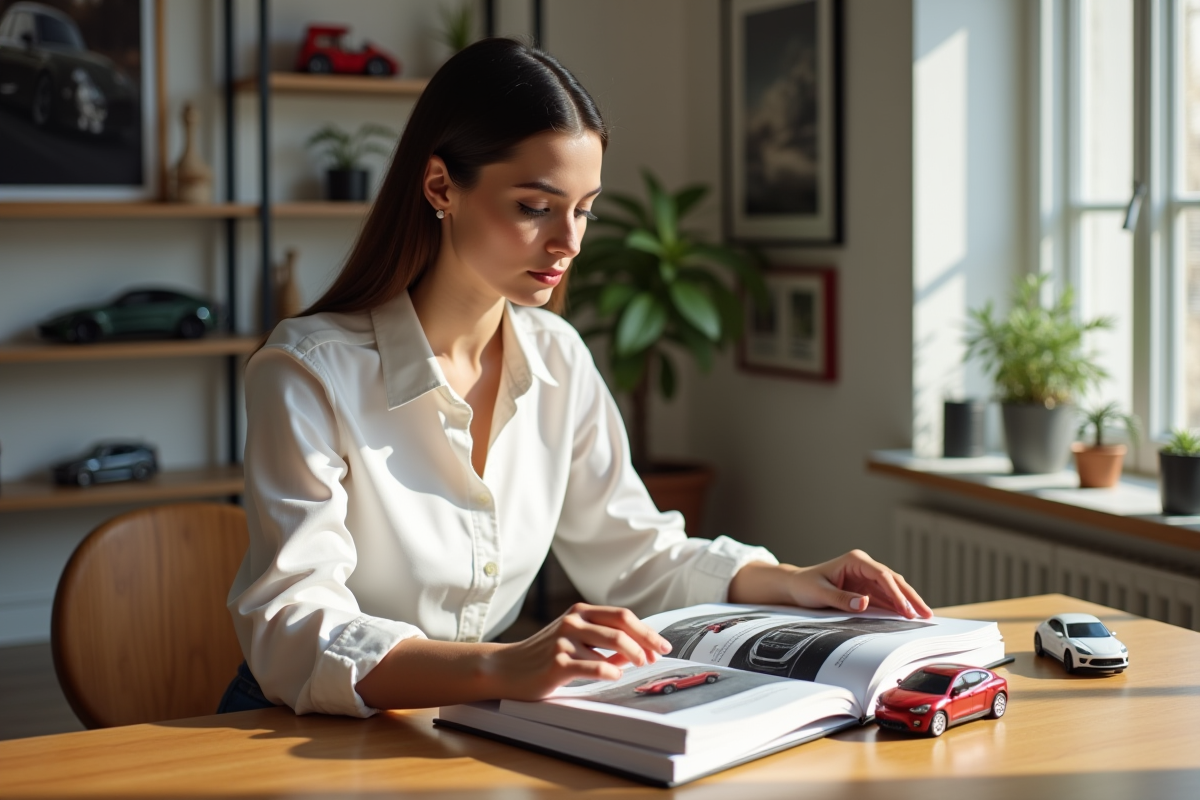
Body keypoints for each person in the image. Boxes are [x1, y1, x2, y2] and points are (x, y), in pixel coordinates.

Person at [220, 38, 931, 718]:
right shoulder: (307, 371)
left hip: (454, 721)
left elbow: (635, 554)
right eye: (535, 207)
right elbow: (294, 624)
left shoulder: (556, 356)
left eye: (584, 209)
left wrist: (792, 581)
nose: (570, 242)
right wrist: (504, 666)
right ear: (441, 185)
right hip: (299, 727)